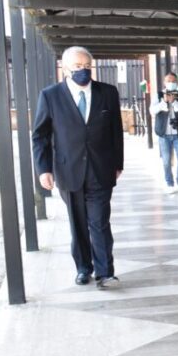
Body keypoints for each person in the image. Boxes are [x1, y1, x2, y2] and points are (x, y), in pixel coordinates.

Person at [32, 46, 124, 289]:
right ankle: (84, 268)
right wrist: (43, 169)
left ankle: (105, 271)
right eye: (77, 67)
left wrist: (118, 163)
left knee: (99, 220)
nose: (83, 71)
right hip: (68, 170)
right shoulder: (50, 96)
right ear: (65, 68)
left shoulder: (108, 92)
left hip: (101, 169)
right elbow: (40, 135)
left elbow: (116, 131)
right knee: (78, 222)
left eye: (87, 66)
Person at [150, 72, 178, 193]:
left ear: (176, 82)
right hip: (164, 134)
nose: (170, 83)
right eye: (168, 80)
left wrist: (175, 102)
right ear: (164, 82)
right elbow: (152, 110)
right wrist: (164, 102)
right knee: (166, 160)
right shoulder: (158, 95)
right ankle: (169, 183)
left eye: (173, 81)